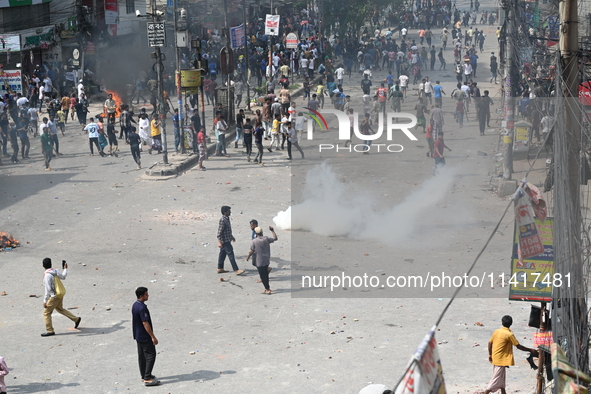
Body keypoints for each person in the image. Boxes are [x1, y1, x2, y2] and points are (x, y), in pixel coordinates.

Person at [483, 316, 535, 394]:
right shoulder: (509, 334)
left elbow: (490, 343)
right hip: (500, 361)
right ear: (511, 324)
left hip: (496, 358)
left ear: (502, 323)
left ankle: (503, 392)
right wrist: (530, 350)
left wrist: (490, 354)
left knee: (501, 381)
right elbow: (518, 346)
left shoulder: (497, 331)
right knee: (495, 380)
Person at [41, 257, 81, 336]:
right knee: (60, 309)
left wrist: (45, 301)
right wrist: (65, 269)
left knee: (46, 313)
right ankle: (76, 319)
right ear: (51, 264)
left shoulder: (47, 275)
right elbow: (63, 276)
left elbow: (48, 289)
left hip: (54, 296)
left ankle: (50, 331)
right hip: (60, 294)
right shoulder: (55, 271)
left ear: (43, 266)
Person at [132, 287, 160, 387]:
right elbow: (145, 323)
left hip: (138, 335)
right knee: (151, 355)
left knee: (142, 356)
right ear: (141, 295)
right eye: (146, 294)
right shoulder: (142, 308)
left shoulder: (135, 305)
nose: (148, 295)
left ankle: (144, 375)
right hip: (145, 336)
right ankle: (147, 377)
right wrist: (153, 336)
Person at [246, 226, 278, 295]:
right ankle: (267, 287)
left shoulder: (254, 241)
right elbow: (275, 238)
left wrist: (248, 256)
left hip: (259, 260)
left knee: (263, 276)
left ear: (256, 233)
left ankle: (267, 289)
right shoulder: (266, 239)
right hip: (266, 259)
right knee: (265, 275)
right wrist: (272, 231)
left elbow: (252, 249)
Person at [217, 206, 245, 275]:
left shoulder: (227, 219)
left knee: (222, 254)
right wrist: (219, 242)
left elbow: (227, 230)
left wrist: (231, 236)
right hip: (225, 241)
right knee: (231, 255)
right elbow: (219, 232)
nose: (230, 212)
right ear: (224, 212)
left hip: (227, 239)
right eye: (228, 211)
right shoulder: (223, 220)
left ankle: (220, 268)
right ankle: (236, 270)